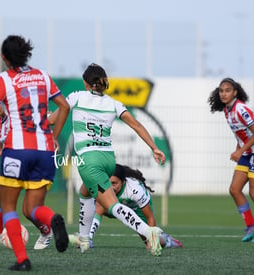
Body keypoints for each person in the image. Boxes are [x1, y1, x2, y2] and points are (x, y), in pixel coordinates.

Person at [0, 35, 70, 271]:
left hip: (17, 149)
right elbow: (65, 106)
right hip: (44, 149)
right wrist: (54, 136)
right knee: (32, 208)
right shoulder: (43, 76)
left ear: (4, 57)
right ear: (26, 54)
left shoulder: (3, 79)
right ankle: (52, 219)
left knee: (9, 207)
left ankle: (22, 260)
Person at [49, 63, 166, 256]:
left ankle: (149, 232)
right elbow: (136, 125)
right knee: (85, 191)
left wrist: (46, 129)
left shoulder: (76, 97)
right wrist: (154, 148)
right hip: (108, 159)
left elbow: (54, 118)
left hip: (89, 159)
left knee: (112, 205)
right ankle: (84, 240)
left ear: (86, 83)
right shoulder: (113, 103)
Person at [0, 105, 52, 250]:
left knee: (28, 210)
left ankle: (47, 231)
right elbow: (0, 144)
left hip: (32, 161)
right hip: (15, 163)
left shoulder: (17, 114)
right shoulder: (1, 122)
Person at [69, 164, 183, 249]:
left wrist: (153, 239)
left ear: (123, 182)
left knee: (150, 243)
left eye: (114, 183)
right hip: (114, 208)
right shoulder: (103, 184)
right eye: (108, 183)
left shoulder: (135, 190)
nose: (110, 187)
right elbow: (96, 208)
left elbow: (150, 217)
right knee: (99, 205)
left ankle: (169, 241)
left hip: (136, 210)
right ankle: (88, 239)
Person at [208, 77, 254, 242]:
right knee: (234, 190)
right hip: (247, 153)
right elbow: (242, 133)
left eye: (227, 90)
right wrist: (239, 149)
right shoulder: (227, 110)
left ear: (235, 92)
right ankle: (251, 227)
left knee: (253, 193)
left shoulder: (241, 109)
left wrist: (240, 151)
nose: (223, 94)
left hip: (253, 153)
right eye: (221, 90)